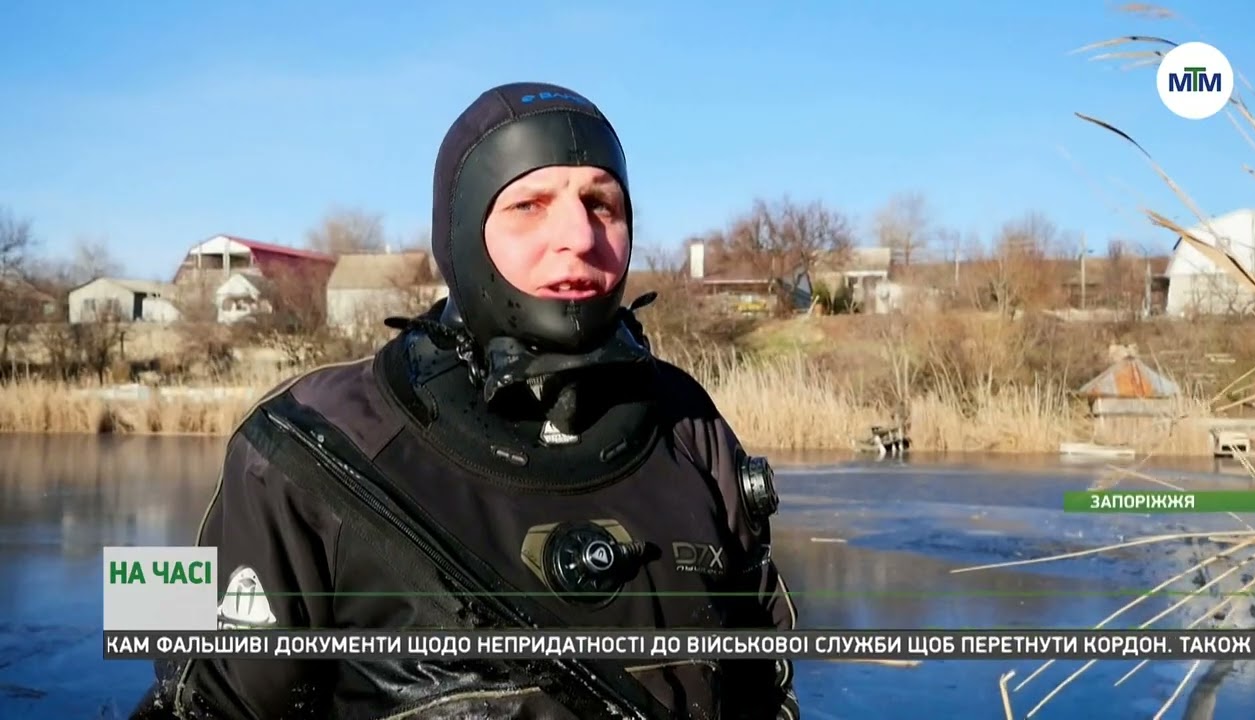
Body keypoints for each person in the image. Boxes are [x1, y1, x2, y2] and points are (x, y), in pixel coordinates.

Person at [130, 81, 800, 720]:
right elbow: (194, 697)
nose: (579, 236)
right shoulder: (301, 443)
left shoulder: (688, 423)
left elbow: (764, 678)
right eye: (529, 205)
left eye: (602, 204)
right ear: (459, 233)